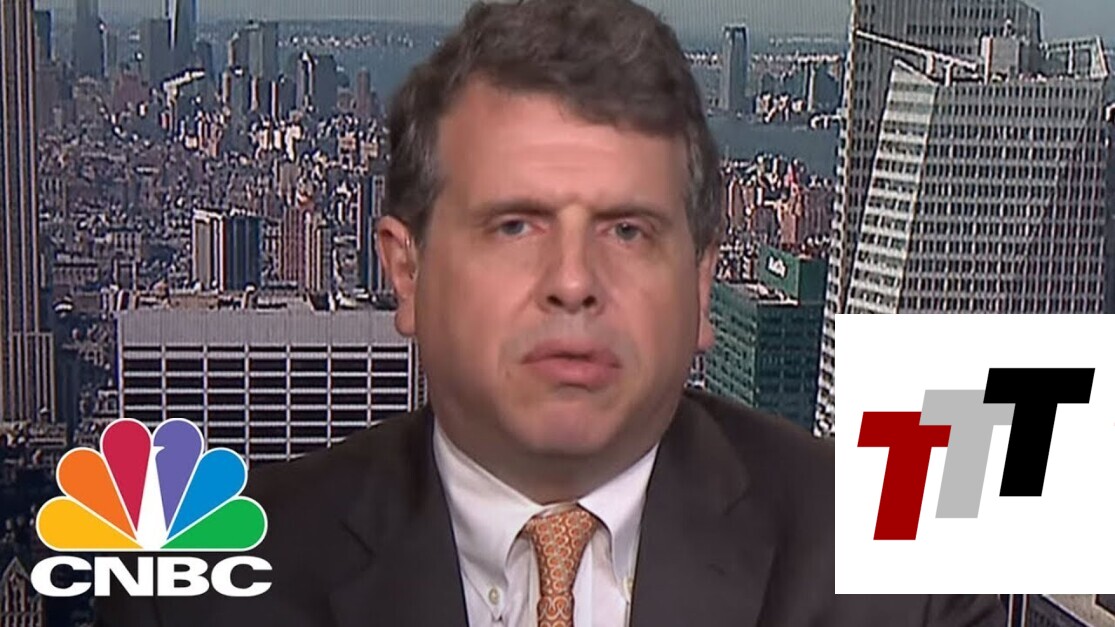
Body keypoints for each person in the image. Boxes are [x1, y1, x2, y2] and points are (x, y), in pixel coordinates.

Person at [97, 0, 1005, 625]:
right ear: (407, 273)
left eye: (628, 230)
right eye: (514, 226)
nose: (572, 283)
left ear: (701, 289)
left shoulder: (891, 576)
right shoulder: (208, 592)